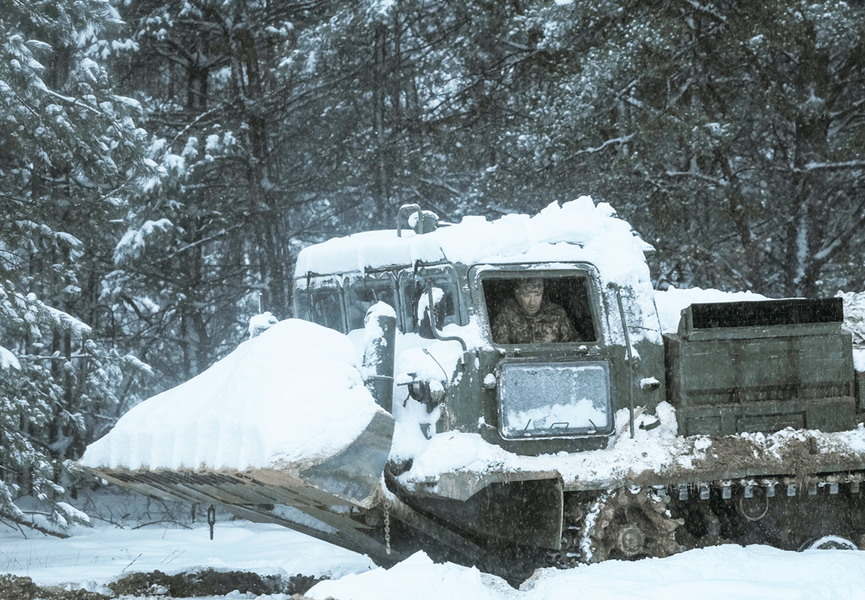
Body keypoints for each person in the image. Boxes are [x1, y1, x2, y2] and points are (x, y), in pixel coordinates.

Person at [491, 278, 578, 344]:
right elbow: (501, 353)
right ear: (517, 295)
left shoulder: (557, 314)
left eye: (537, 295)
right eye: (527, 296)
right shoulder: (506, 317)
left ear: (542, 294)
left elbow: (573, 345)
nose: (532, 302)